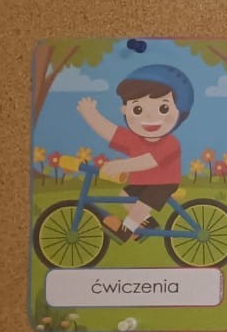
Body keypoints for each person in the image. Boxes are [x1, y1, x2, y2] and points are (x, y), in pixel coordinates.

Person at [75, 63, 193, 243]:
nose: (150, 117)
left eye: (163, 109)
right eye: (138, 110)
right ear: (125, 110)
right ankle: (147, 224)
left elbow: (149, 161)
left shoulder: (170, 143)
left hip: (163, 183)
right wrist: (91, 114)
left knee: (141, 204)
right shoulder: (134, 139)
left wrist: (121, 165)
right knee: (125, 196)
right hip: (142, 182)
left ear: (181, 112)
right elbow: (110, 132)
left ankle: (125, 231)